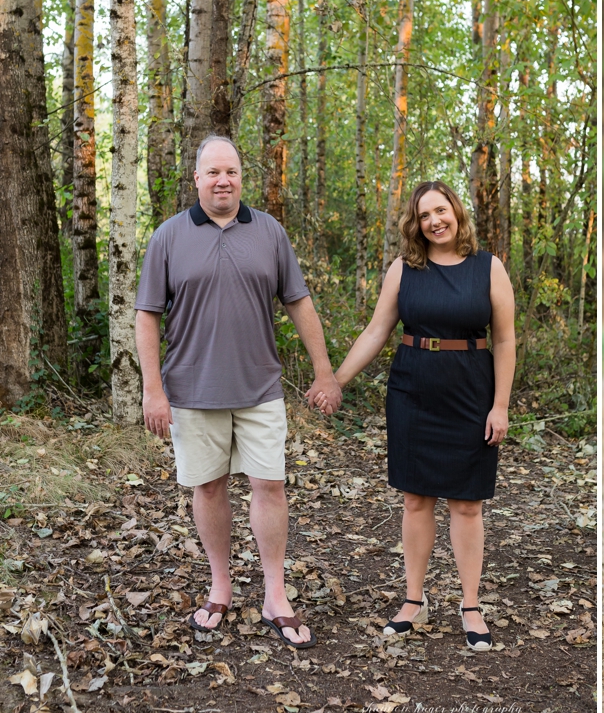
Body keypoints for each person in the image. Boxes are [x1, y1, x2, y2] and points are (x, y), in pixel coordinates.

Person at [136, 135, 343, 649]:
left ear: (240, 177)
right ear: (197, 179)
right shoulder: (168, 236)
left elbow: (299, 301)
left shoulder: (269, 231)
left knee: (269, 485)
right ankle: (220, 587)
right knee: (208, 488)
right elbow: (147, 315)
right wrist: (152, 389)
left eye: (230, 172)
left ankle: (275, 595)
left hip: (260, 387)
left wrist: (324, 372)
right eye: (213, 173)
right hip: (192, 389)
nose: (222, 181)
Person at [329, 182, 518, 652]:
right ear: (415, 224)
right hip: (412, 392)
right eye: (424, 215)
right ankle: (414, 600)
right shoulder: (404, 269)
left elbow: (505, 340)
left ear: (457, 211)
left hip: (471, 394)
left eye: (441, 210)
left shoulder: (488, 268)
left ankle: (470, 605)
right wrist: (336, 381)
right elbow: (376, 331)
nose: (435, 221)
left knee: (467, 504)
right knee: (416, 500)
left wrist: (500, 405)